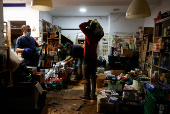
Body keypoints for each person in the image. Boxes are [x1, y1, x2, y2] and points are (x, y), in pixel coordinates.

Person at [79, 20, 104, 100]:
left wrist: (88, 22)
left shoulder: (89, 35)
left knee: (86, 78)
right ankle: (93, 95)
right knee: (93, 77)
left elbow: (81, 26)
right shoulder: (96, 38)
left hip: (87, 58)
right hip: (94, 59)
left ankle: (87, 95)